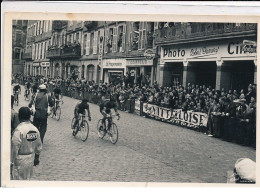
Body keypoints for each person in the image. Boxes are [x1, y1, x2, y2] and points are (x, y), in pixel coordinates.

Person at [11, 107, 42, 180]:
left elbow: (14, 147)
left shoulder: (19, 130)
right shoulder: (35, 129)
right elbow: (39, 145)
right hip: (30, 160)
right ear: (29, 116)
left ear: (19, 117)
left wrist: (11, 162)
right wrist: (37, 157)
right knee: (27, 180)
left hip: (20, 161)